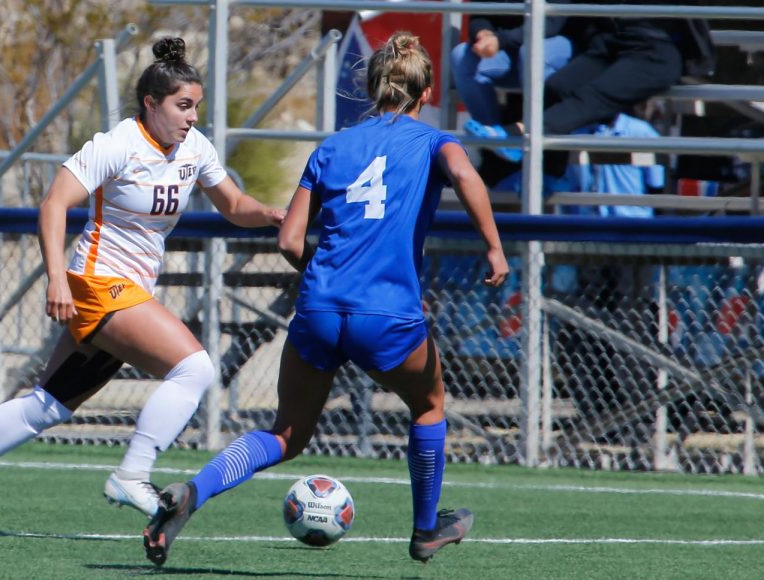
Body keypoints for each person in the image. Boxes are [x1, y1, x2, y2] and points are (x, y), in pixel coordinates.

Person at [140, 31, 510, 567]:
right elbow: (465, 175)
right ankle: (427, 529)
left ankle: (192, 493)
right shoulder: (435, 142)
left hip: (317, 308)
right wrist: (494, 248)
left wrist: (327, 278)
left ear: (370, 88)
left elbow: (289, 240)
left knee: (286, 432)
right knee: (428, 406)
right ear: (424, 94)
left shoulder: (332, 147)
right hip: (386, 312)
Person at [0, 37, 285, 535]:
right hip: (96, 283)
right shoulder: (117, 144)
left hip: (128, 291)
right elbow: (53, 204)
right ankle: (133, 474)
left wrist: (274, 215)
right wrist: (55, 279)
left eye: (197, 106)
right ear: (151, 104)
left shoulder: (194, 148)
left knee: (49, 404)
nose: (192, 116)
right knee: (194, 368)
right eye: (182, 105)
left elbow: (234, 206)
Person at [465, 1, 714, 173]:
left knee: (592, 96)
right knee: (555, 88)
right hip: (610, 43)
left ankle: (516, 134)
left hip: (654, 50)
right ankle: (548, 173)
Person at [450, 0, 573, 139]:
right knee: (460, 57)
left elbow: (551, 23)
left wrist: (500, 40)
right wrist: (483, 34)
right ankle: (493, 136)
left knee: (531, 52)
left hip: (562, 47)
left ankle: (543, 137)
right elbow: (480, 14)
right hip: (509, 49)